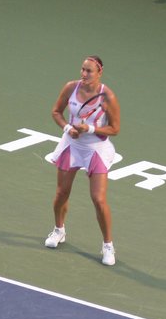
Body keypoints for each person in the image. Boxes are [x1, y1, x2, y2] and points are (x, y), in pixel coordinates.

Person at [45, 56, 121, 265]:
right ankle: (59, 230)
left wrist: (91, 128)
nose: (84, 74)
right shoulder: (71, 87)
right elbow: (56, 112)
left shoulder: (108, 97)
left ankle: (108, 246)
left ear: (99, 73)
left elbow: (115, 128)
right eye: (83, 70)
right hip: (71, 145)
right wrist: (68, 128)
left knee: (98, 199)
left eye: (89, 71)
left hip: (95, 148)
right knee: (62, 192)